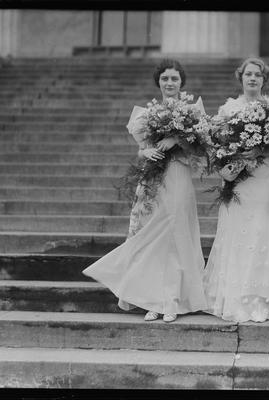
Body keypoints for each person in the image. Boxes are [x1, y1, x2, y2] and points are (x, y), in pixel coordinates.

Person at [83, 59, 207, 323]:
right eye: (165, 79)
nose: (170, 83)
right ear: (158, 82)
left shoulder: (192, 112)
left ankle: (172, 299)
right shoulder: (146, 114)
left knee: (175, 232)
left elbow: (200, 149)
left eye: (174, 79)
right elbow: (142, 148)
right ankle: (154, 300)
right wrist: (146, 150)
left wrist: (177, 139)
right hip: (153, 178)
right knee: (154, 233)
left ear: (181, 82)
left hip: (178, 175)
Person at [203, 58, 269, 323]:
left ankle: (262, 296)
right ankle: (236, 295)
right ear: (241, 78)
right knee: (237, 226)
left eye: (258, 75)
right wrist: (229, 160)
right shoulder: (229, 107)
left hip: (263, 174)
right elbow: (214, 140)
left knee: (261, 226)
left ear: (264, 79)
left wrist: (262, 148)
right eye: (248, 74)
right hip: (238, 174)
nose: (253, 79)